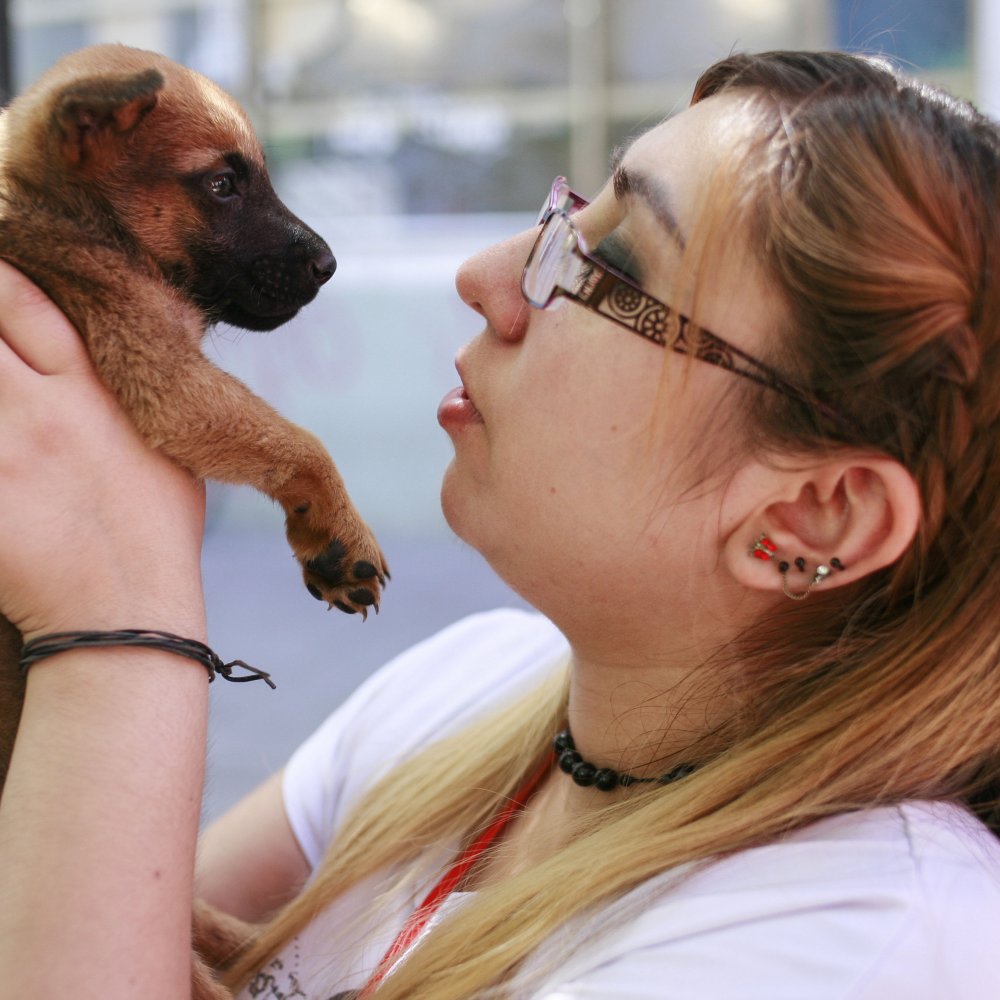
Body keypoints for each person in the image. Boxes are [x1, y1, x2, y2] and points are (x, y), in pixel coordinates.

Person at [1, 48, 999, 999]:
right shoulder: (464, 693)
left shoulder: (855, 941)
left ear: (814, 513)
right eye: (561, 214)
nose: (485, 273)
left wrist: (115, 621)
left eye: (611, 262)